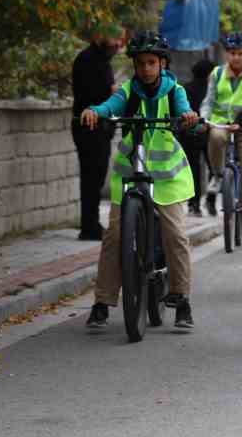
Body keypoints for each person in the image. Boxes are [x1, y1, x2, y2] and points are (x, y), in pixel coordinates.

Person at [80, 31, 201, 331]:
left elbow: (185, 111)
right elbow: (109, 107)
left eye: (151, 63)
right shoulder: (127, 92)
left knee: (175, 235)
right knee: (115, 236)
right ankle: (102, 303)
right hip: (130, 174)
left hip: (168, 177)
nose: (146, 69)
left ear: (162, 64)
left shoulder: (175, 91)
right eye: (140, 63)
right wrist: (95, 112)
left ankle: (181, 299)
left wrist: (187, 117)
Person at [200, 32, 242, 219]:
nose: (236, 57)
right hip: (221, 124)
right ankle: (218, 175)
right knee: (216, 137)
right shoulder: (217, 73)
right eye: (232, 53)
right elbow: (209, 100)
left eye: (240, 53)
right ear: (227, 54)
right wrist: (205, 118)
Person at [70, 31, 119, 241]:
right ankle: (89, 226)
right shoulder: (89, 60)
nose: (117, 45)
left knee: (96, 177)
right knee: (91, 177)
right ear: (100, 36)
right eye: (114, 40)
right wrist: (113, 92)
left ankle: (91, 224)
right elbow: (95, 94)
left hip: (98, 127)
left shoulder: (101, 60)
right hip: (89, 126)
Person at [182, 58, 215, 216]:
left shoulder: (186, 89)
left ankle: (193, 204)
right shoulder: (212, 90)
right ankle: (211, 201)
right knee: (214, 168)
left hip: (190, 134)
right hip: (209, 132)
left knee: (193, 170)